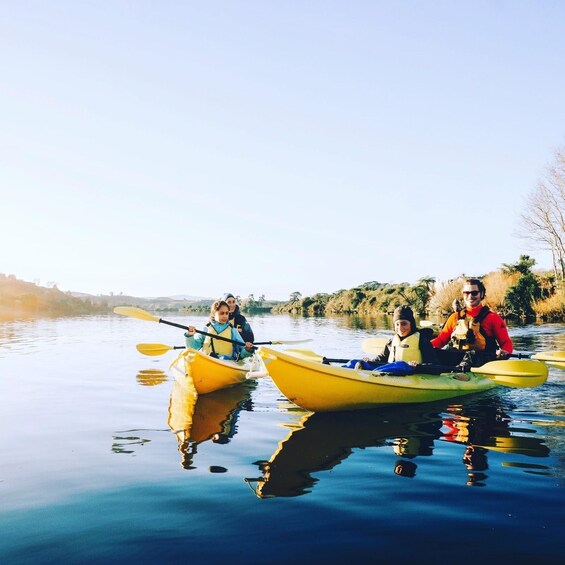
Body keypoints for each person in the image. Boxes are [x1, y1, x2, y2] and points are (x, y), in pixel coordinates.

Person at [431, 278, 513, 367]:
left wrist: (505, 352)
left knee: (472, 354)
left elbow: (506, 342)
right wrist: (425, 346)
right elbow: (441, 340)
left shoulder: (493, 318)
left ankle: (462, 369)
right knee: (435, 352)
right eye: (466, 293)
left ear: (481, 294)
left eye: (474, 293)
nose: (470, 296)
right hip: (456, 359)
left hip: (482, 360)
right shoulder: (454, 317)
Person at [345, 305, 438, 370]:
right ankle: (336, 370)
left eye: (404, 324)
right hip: (390, 371)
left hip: (411, 372)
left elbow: (434, 364)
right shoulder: (392, 341)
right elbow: (382, 358)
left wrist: (418, 366)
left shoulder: (422, 340)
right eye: (397, 324)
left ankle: (368, 370)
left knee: (401, 365)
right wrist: (371, 361)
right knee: (355, 362)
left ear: (411, 324)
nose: (400, 328)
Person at [185, 300, 254, 361]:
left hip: (226, 363)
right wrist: (190, 335)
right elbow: (193, 348)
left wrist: (247, 349)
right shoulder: (206, 328)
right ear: (214, 313)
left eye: (227, 313)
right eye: (221, 313)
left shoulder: (232, 330)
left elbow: (242, 352)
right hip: (207, 361)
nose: (225, 316)